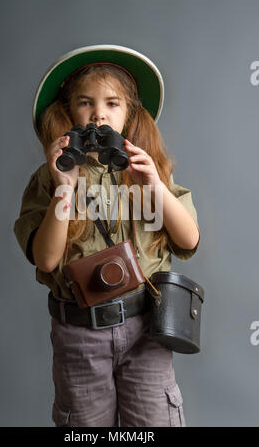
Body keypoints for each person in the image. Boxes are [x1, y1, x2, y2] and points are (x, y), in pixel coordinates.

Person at [14, 45, 200, 427]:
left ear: (131, 114)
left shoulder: (148, 172)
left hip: (146, 329)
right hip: (79, 334)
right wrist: (64, 188)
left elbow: (189, 240)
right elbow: (46, 260)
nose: (99, 113)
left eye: (112, 103)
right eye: (86, 102)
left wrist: (155, 186)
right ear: (67, 112)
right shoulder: (48, 180)